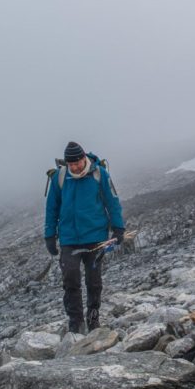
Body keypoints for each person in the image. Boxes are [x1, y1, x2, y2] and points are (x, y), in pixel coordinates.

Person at [44, 142, 125, 333]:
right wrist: (49, 235)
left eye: (77, 163)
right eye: (70, 165)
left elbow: (112, 202)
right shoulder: (60, 178)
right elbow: (51, 208)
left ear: (84, 159)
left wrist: (118, 228)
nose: (74, 168)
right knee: (70, 279)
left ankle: (93, 317)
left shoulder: (99, 174)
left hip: (96, 237)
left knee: (93, 280)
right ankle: (76, 323)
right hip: (69, 239)